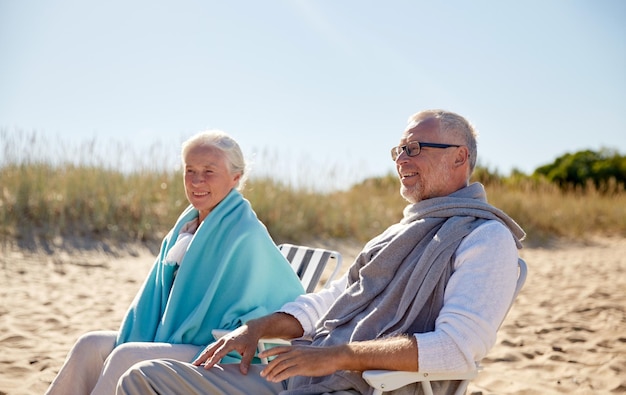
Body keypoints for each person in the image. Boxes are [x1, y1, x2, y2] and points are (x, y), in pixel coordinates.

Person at [116, 109, 526, 395]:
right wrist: (258, 328)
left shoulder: (485, 239)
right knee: (141, 376)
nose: (401, 158)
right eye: (399, 149)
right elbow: (333, 299)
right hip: (303, 373)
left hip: (361, 385)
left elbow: (455, 349)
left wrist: (336, 358)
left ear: (460, 157)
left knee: (142, 378)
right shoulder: (400, 232)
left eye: (415, 147)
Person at [44, 130, 305, 395]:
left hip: (215, 349)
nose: (196, 180)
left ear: (235, 178)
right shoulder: (187, 226)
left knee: (125, 356)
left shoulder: (245, 232)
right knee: (88, 345)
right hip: (172, 336)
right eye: (189, 170)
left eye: (209, 171)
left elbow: (273, 302)